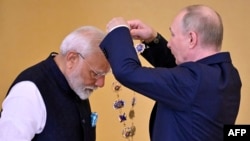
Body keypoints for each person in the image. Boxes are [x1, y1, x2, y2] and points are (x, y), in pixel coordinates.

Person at [100, 4, 241, 141]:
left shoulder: (192, 82)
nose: (169, 43)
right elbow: (180, 75)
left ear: (191, 39)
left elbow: (127, 71)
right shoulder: (228, 75)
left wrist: (118, 30)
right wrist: (152, 39)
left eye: (173, 35)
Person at [0, 26, 110, 141]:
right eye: (96, 74)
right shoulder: (28, 91)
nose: (101, 83)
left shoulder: (76, 85)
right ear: (72, 59)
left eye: (104, 75)